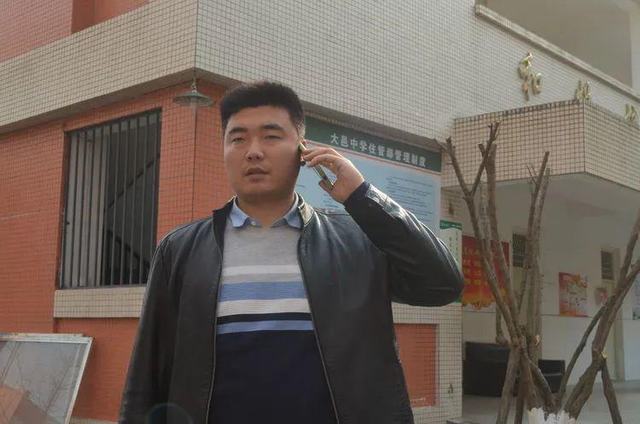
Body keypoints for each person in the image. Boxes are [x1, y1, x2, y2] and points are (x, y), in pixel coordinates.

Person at [119, 81, 463, 424]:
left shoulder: (357, 240)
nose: (253, 151)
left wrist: (362, 196)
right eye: (237, 139)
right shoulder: (180, 251)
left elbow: (441, 284)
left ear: (302, 151)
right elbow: (147, 372)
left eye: (271, 136)